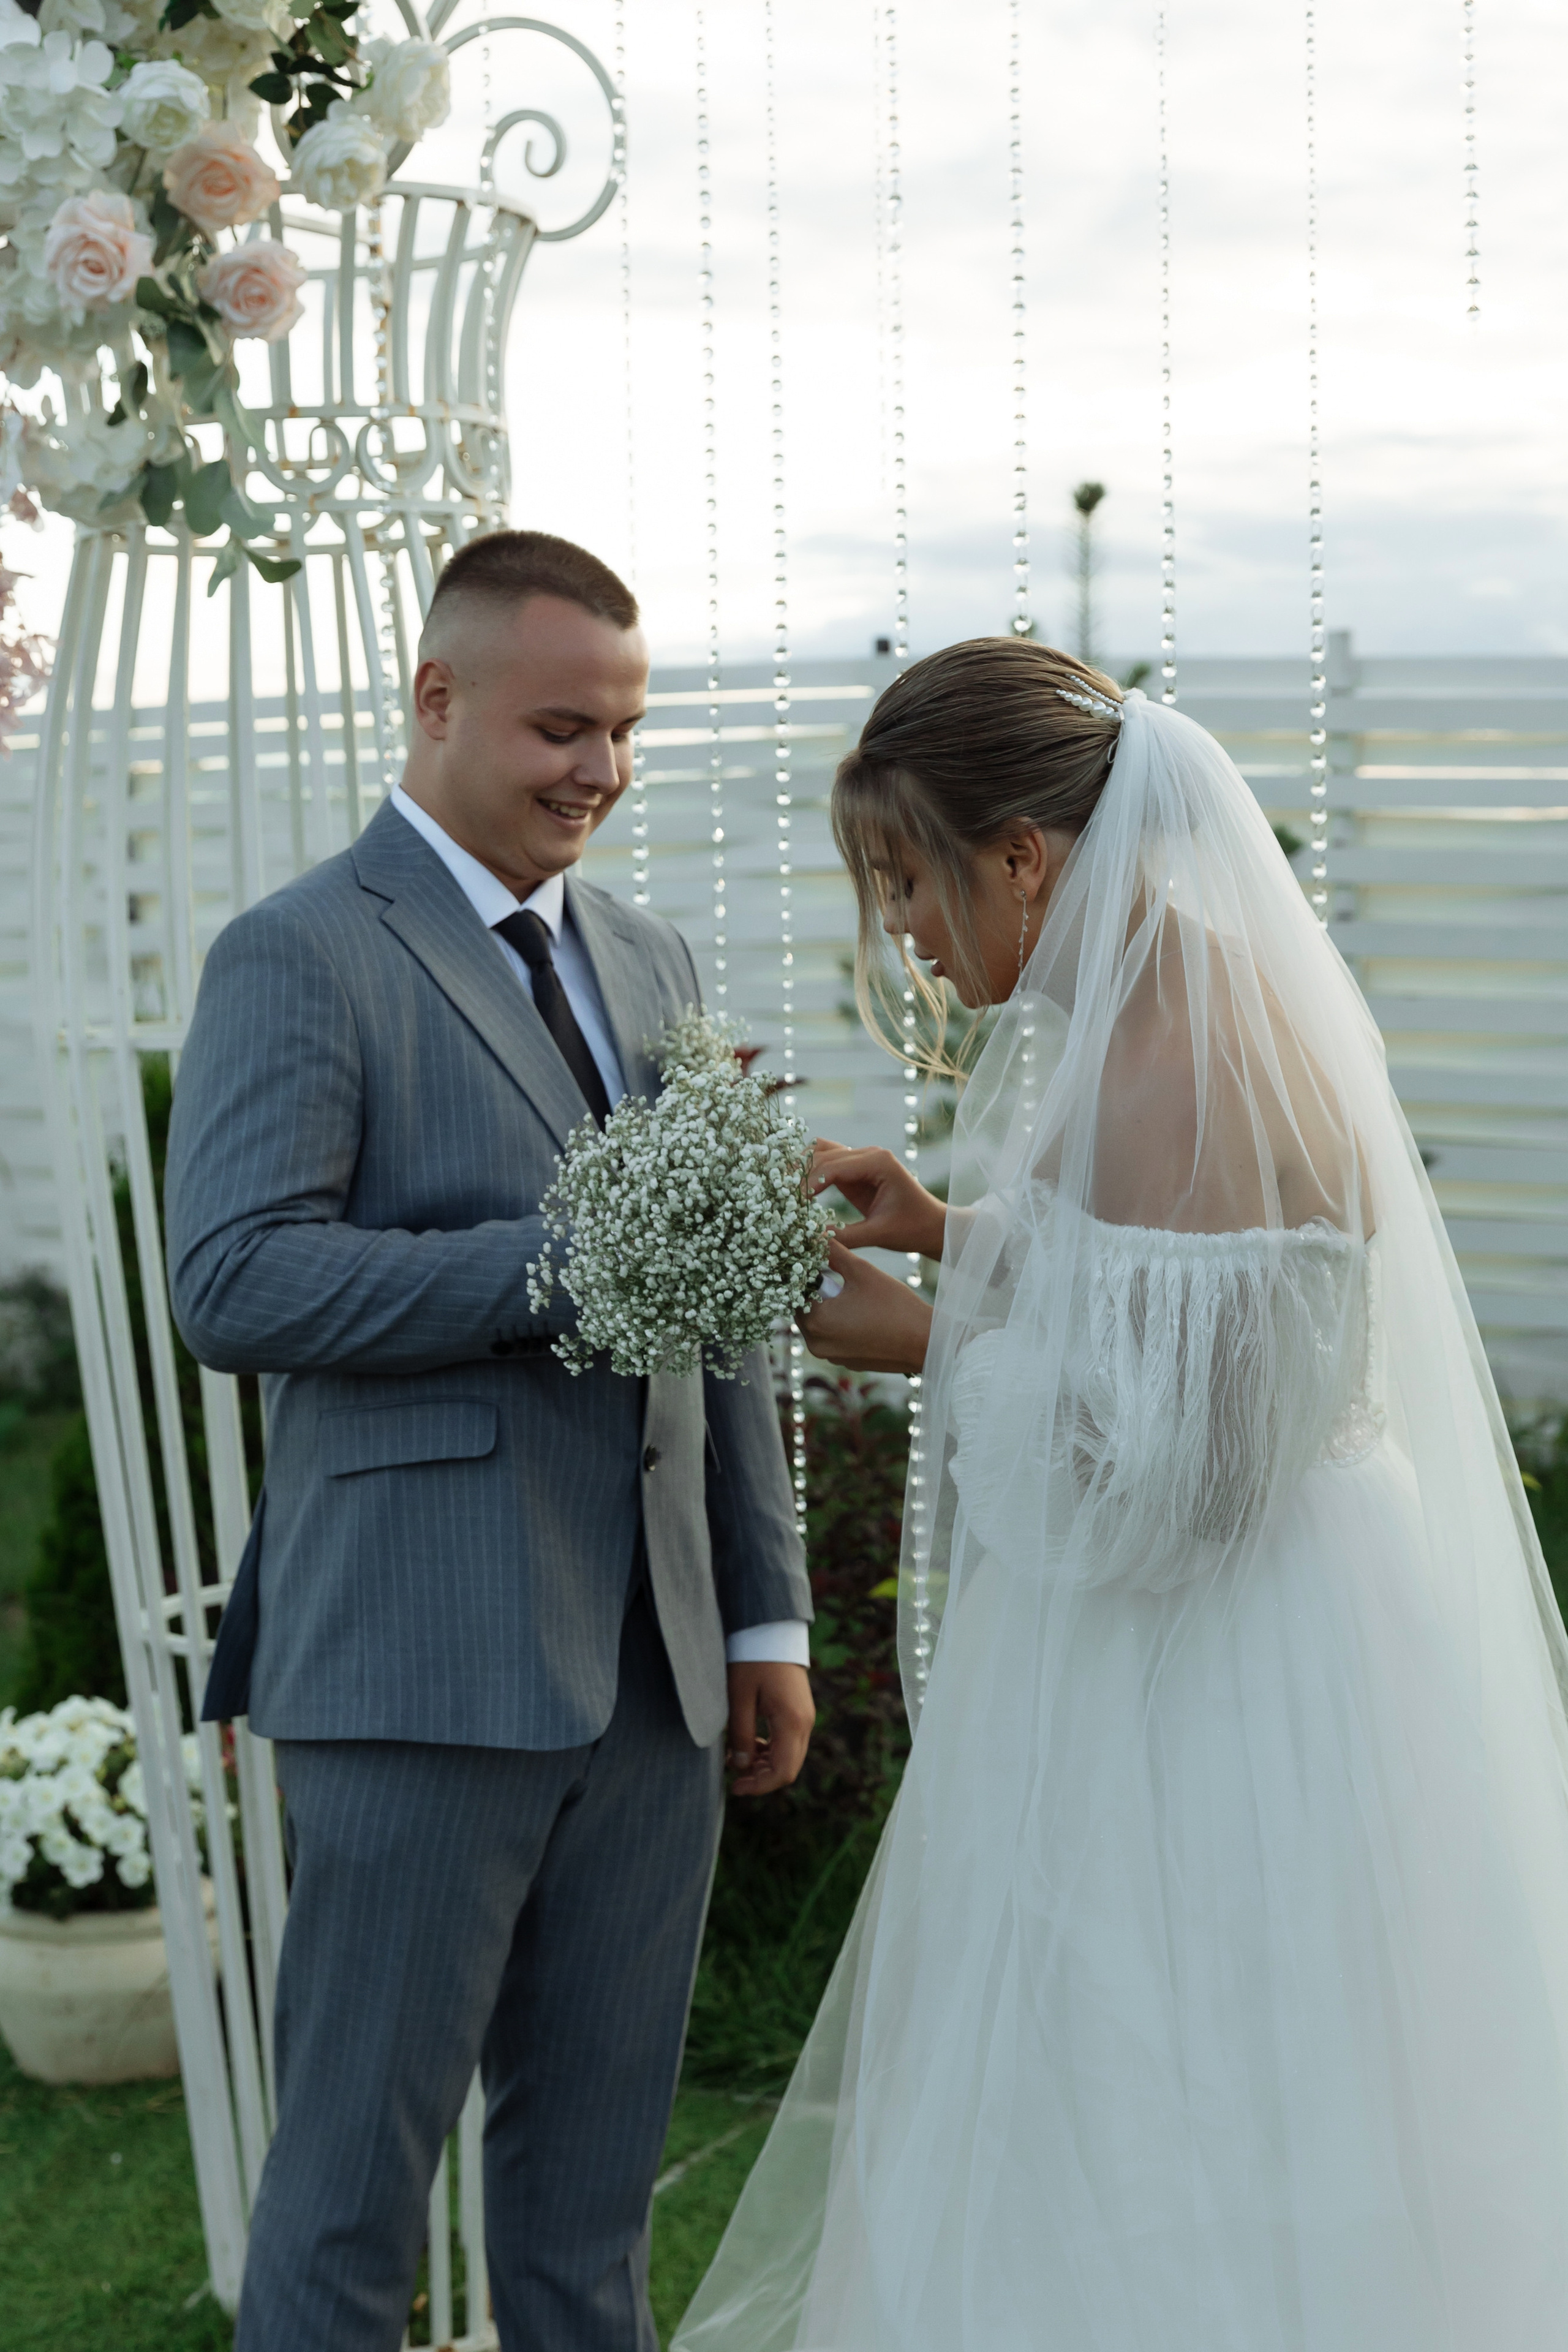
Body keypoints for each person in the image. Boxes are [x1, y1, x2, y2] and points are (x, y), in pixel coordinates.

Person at [675, 639, 1568, 2352]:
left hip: (1224, 1679)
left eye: (911, 879)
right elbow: (1168, 1288)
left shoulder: (1187, 1059)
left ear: (1023, 855)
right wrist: (953, 1230)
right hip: (1203, 1639)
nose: (911, 935)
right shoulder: (1160, 1010)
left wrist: (931, 1346)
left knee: (1189, 2093)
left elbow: (1184, 1481)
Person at [164, 529, 816, 2352]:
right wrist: (572, 1260)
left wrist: (762, 1619)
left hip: (658, 1671)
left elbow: (728, 1289)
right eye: (558, 728)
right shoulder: (298, 952)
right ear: (435, 700)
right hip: (415, 1661)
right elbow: (234, 1280)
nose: (598, 771)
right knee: (352, 2209)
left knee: (590, 2212)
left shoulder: (653, 951)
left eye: (622, 731)